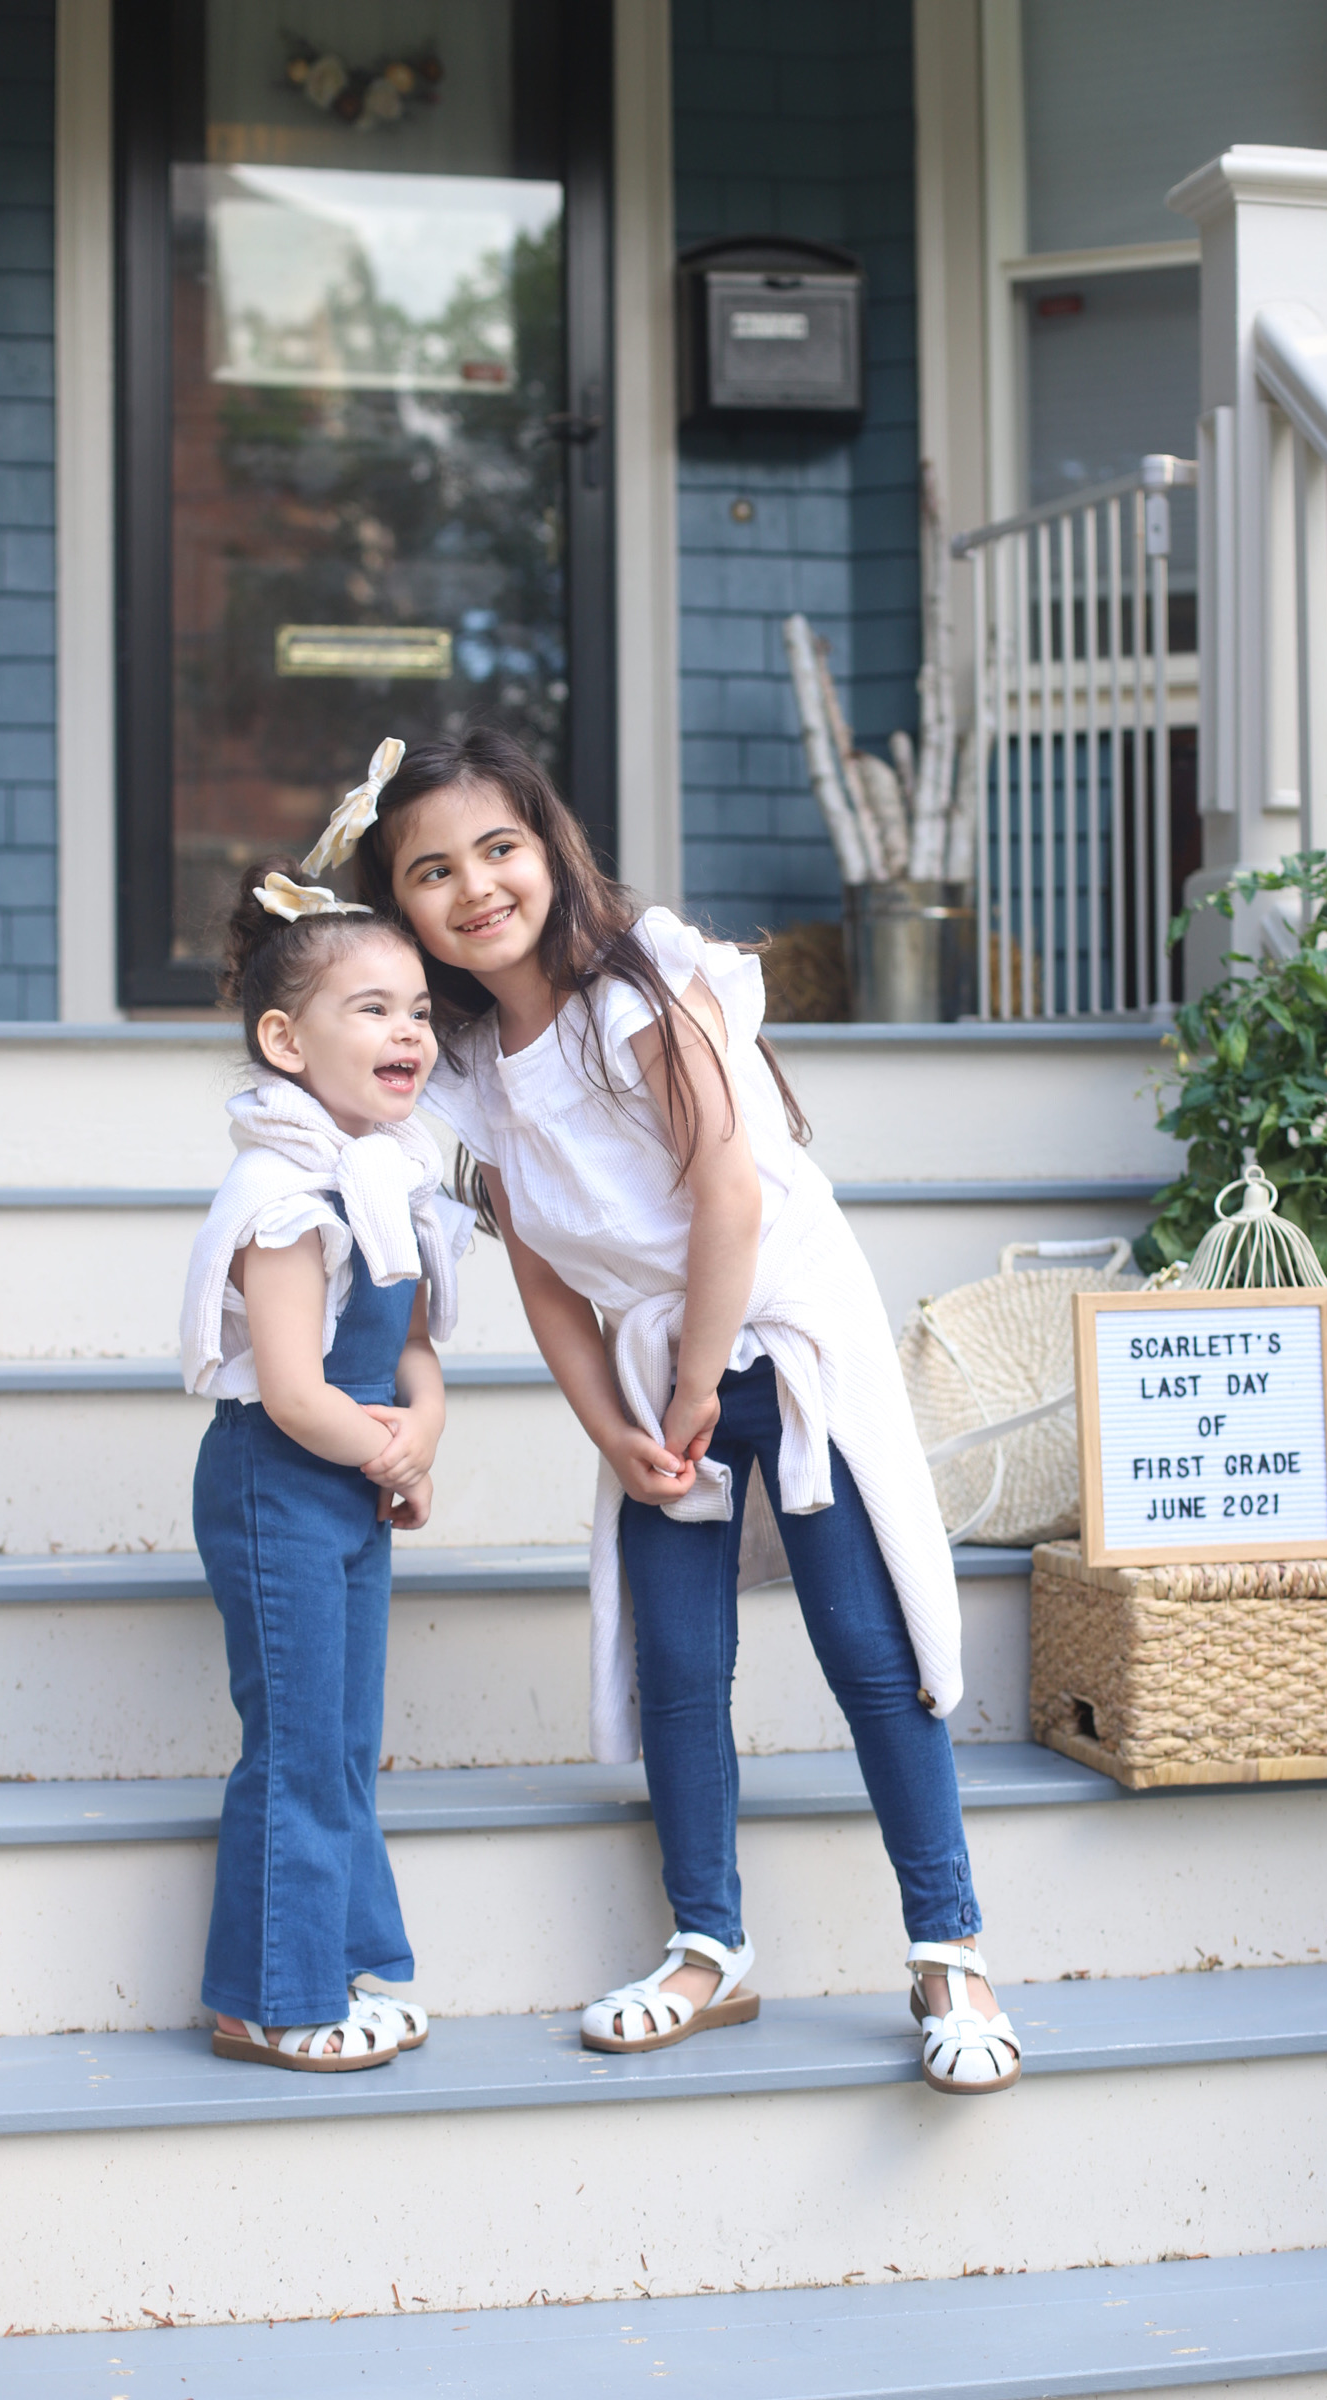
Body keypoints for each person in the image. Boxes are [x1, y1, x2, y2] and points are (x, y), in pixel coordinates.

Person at [343, 725, 1020, 2098]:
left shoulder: (638, 984)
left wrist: (702, 1384)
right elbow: (540, 1264)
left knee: (864, 1641)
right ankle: (711, 1943)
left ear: (549, 847)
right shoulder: (465, 1061)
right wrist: (615, 1425)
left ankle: (950, 1947)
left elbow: (727, 1189)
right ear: (399, 906)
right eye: (431, 872)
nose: (475, 887)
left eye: (499, 848)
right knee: (677, 1662)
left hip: (773, 1335)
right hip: (663, 1369)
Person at [180, 770, 470, 2071]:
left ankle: (354, 1957)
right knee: (297, 1743)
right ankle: (270, 1995)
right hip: (276, 1480)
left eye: (418, 1009)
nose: (410, 1030)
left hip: (349, 1478)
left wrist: (421, 1427)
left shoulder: (385, 1177)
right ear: (288, 1043)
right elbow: (296, 1389)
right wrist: (383, 1447)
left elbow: (408, 1349)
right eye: (373, 1009)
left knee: (347, 1739)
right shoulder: (282, 1191)